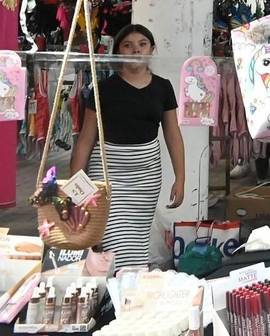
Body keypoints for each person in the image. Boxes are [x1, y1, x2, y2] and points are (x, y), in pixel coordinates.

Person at [69, 24, 186, 268]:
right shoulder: (103, 90)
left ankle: (131, 293)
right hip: (108, 174)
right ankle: (113, 294)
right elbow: (87, 138)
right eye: (128, 45)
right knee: (110, 238)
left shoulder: (162, 87)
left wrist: (180, 178)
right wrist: (75, 185)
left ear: (152, 50)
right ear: (118, 51)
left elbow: (172, 133)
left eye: (142, 44)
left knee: (136, 241)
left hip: (146, 177)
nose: (135, 50)